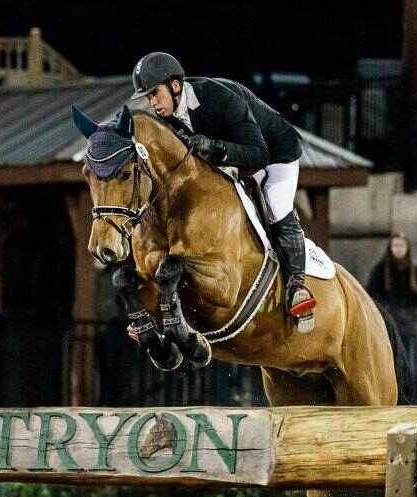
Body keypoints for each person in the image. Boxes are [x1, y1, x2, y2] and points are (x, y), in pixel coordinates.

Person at [129, 51, 316, 332]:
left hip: (274, 153)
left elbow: (258, 155)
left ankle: (296, 287)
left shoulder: (218, 98)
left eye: (155, 93)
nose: (152, 103)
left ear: (175, 86)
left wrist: (216, 148)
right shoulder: (166, 121)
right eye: (148, 97)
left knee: (276, 205)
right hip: (231, 160)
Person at [366, 232, 417, 401]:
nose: (398, 249)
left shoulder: (414, 270)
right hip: (388, 328)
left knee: (410, 368)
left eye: (402, 246)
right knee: (389, 366)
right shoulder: (380, 270)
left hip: (409, 327)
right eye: (395, 245)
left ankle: (408, 401)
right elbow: (370, 297)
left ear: (407, 248)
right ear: (390, 248)